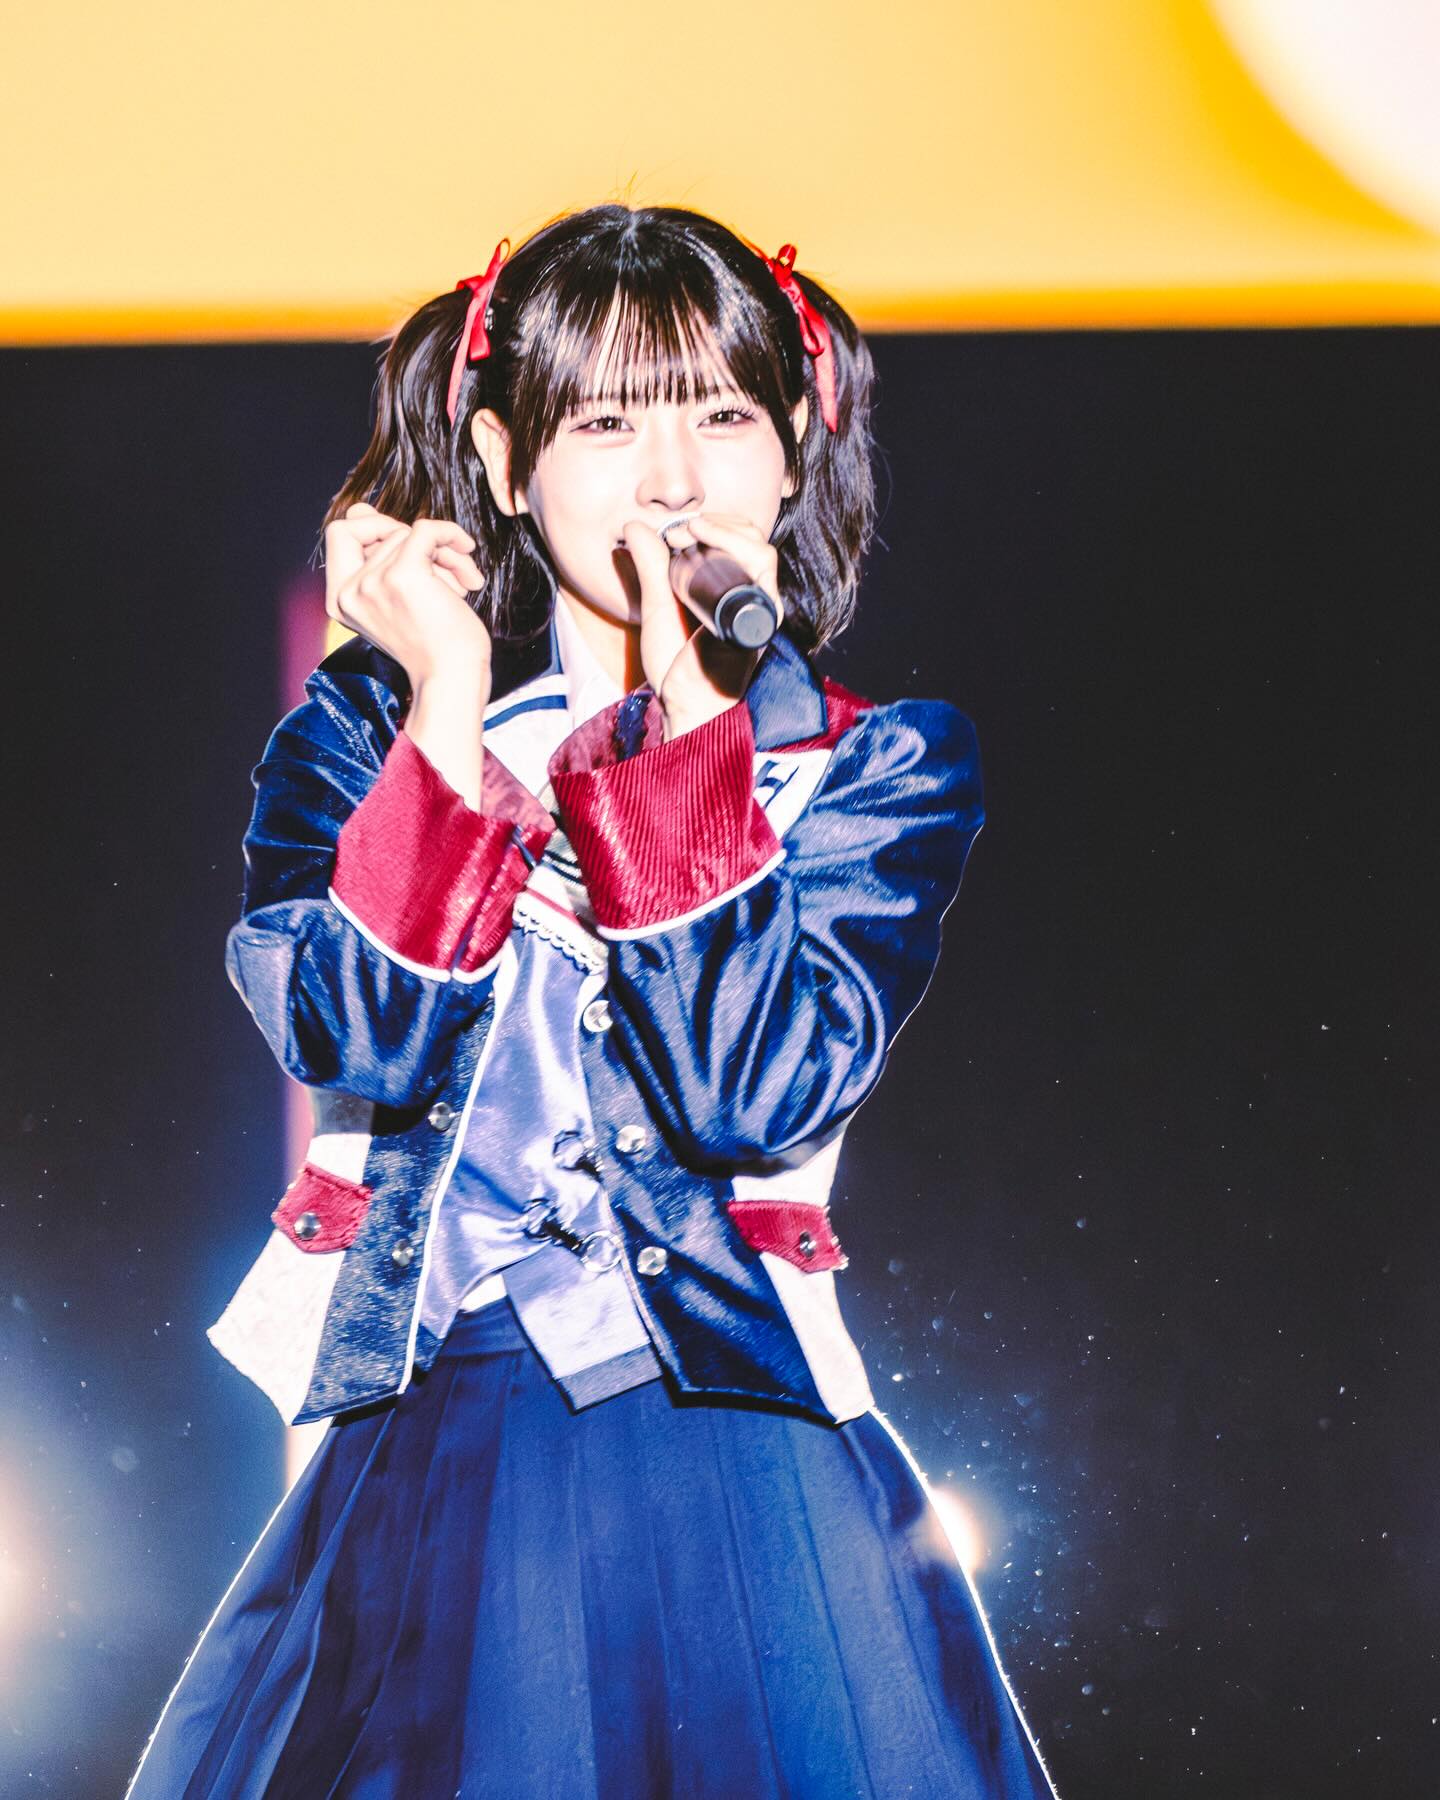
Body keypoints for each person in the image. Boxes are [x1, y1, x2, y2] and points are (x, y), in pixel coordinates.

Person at [125, 203, 1060, 1799]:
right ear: (504, 461)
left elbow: (751, 1094)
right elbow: (356, 1039)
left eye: (724, 417)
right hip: (438, 1455)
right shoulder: (368, 742)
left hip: (736, 1453)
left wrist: (690, 728)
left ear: (796, 447)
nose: (673, 479)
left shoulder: (874, 762)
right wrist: (442, 701)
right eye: (610, 424)